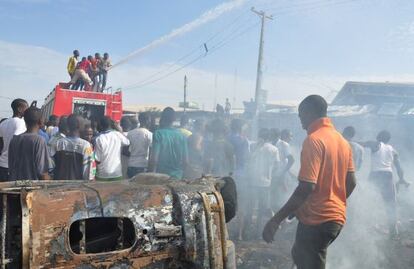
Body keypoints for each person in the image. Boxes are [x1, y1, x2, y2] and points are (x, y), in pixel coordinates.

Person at [262, 95, 357, 269]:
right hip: (335, 219)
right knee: (299, 254)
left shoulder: (314, 140)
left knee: (308, 262)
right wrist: (335, 201)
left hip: (318, 220)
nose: (300, 120)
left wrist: (276, 220)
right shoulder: (342, 142)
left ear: (309, 112)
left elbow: (306, 187)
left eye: (300, 115)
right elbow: (351, 182)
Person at [359, 130, 409, 237]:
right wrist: (402, 179)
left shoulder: (376, 144)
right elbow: (399, 168)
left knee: (366, 201)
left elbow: (361, 144)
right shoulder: (393, 150)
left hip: (375, 175)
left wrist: (346, 140)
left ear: (379, 137)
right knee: (391, 204)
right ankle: (393, 231)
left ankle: (363, 226)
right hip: (387, 176)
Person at [247, 128, 280, 237]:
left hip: (252, 181)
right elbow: (277, 166)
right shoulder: (274, 149)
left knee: (250, 207)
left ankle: (247, 230)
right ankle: (258, 232)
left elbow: (248, 161)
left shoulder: (253, 146)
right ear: (269, 137)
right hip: (266, 183)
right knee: (262, 208)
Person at [8, 107, 50, 180]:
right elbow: (42, 172)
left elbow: (11, 166)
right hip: (31, 187)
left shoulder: (14, 139)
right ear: (40, 121)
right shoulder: (39, 140)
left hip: (14, 185)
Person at [149, 107, 188, 179]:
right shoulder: (182, 136)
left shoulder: (158, 134)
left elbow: (154, 160)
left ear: (162, 118)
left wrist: (151, 176)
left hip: (161, 177)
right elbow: (185, 162)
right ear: (174, 119)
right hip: (177, 177)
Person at [53, 114, 94, 180]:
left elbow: (52, 166)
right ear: (78, 125)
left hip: (59, 185)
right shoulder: (86, 146)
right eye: (83, 122)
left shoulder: (59, 143)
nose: (84, 124)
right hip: (77, 187)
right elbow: (88, 173)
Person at [0, 99, 28, 181]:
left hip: (2, 163)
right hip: (13, 165)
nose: (27, 110)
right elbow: (17, 142)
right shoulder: (21, 123)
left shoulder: (3, 123)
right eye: (26, 108)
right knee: (12, 192)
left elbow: (1, 144)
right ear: (19, 109)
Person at [94, 116, 130, 180]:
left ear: (101, 126)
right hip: (116, 173)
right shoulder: (118, 135)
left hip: (102, 174)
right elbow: (127, 142)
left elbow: (97, 159)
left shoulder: (99, 138)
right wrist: (119, 129)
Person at [273, 129, 296, 208]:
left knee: (281, 194)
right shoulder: (283, 144)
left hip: (280, 174)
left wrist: (285, 172)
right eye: (290, 136)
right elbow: (291, 160)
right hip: (278, 174)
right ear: (284, 136)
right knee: (278, 195)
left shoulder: (282, 144)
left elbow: (289, 160)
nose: (291, 138)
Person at [126, 113, 153, 178]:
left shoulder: (130, 133)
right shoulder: (149, 134)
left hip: (131, 165)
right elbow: (151, 153)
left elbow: (125, 150)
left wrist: (133, 154)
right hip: (143, 166)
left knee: (130, 187)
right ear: (147, 120)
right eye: (150, 120)